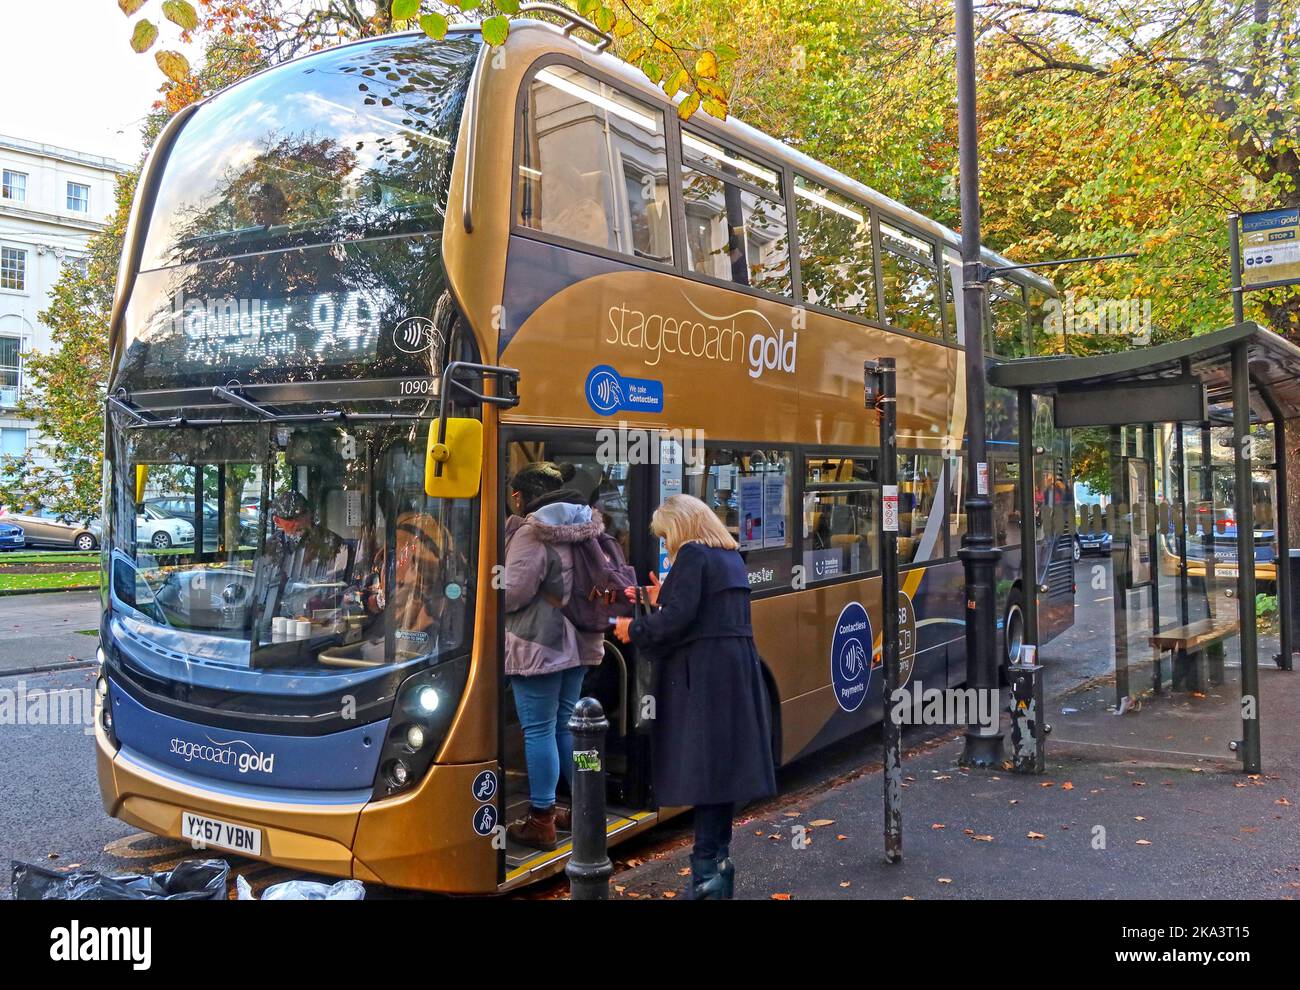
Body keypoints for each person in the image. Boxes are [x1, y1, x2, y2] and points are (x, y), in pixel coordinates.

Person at [614, 493, 777, 899]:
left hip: (705, 682)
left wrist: (630, 629)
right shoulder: (728, 556)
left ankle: (704, 883)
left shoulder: (693, 555)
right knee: (720, 779)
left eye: (666, 534)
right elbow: (703, 610)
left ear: (682, 527)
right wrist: (659, 598)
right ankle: (716, 874)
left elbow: (675, 624)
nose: (667, 544)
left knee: (705, 777)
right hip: (733, 677)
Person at [503, 462, 606, 850]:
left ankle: (542, 818)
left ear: (520, 496)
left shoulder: (533, 532)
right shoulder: (585, 524)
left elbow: (513, 592)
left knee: (539, 729)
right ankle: (584, 807)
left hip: (539, 645)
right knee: (569, 726)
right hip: (580, 641)